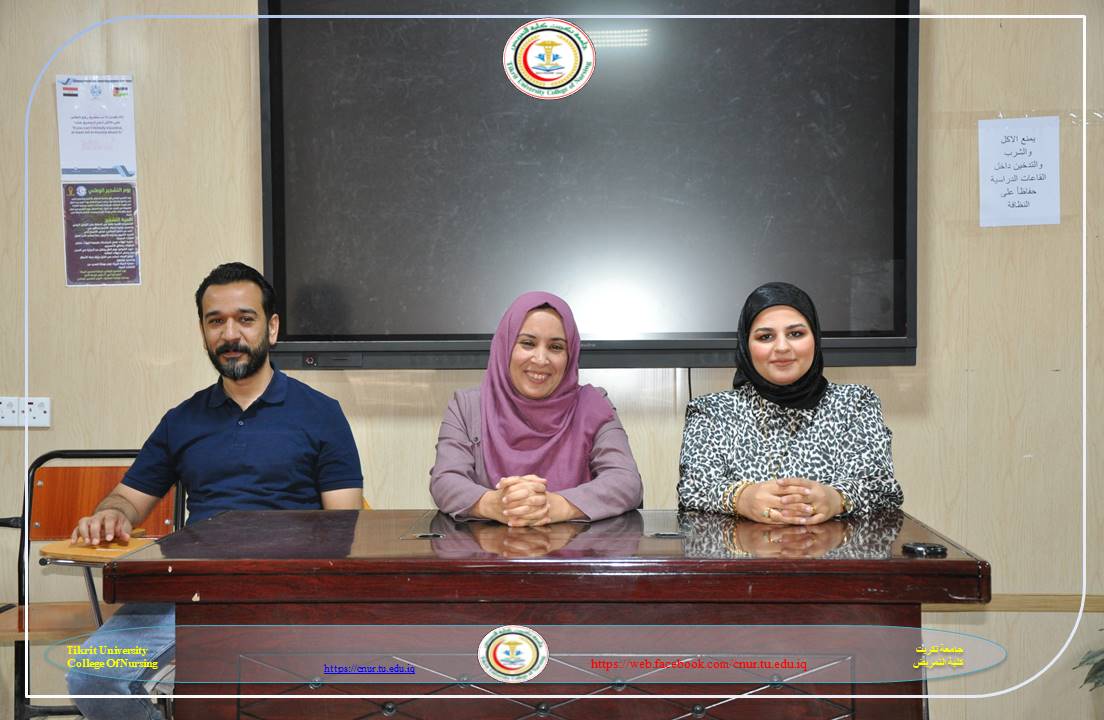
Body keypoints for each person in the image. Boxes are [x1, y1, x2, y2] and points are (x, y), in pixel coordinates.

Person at [66, 262, 364, 720]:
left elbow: (345, 526)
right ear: (203, 332)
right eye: (215, 321)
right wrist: (112, 513)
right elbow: (128, 498)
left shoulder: (322, 414)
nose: (230, 334)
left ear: (272, 328)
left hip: (288, 594)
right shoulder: (181, 420)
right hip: (187, 594)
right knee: (93, 674)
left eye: (245, 319)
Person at [678, 281, 902, 524]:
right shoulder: (712, 412)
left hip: (838, 548)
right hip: (740, 549)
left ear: (815, 338)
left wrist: (836, 498)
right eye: (765, 337)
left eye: (796, 334)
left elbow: (881, 487)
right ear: (746, 346)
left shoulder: (856, 404)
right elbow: (693, 488)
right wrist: (742, 498)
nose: (782, 347)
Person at [430, 291, 642, 525]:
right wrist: (495, 504)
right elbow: (445, 480)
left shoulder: (593, 405)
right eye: (528, 343)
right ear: (505, 345)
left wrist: (555, 506)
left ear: (570, 354)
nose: (541, 359)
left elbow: (626, 482)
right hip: (484, 547)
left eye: (556, 347)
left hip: (577, 547)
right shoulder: (467, 406)